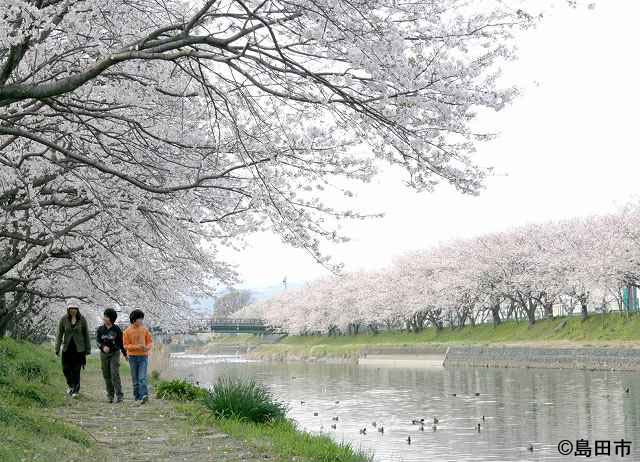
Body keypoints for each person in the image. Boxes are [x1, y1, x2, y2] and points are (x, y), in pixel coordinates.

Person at [55, 304, 91, 398]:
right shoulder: (64, 319)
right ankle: (71, 385)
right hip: (67, 349)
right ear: (68, 309)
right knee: (65, 369)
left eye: (75, 308)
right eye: (71, 308)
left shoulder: (82, 319)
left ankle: (76, 390)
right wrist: (57, 348)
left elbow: (86, 334)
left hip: (79, 350)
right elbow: (59, 334)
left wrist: (88, 349)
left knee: (76, 370)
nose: (73, 310)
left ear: (77, 309)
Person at [96, 308, 127, 403]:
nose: (104, 318)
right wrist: (102, 346)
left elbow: (121, 342)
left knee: (114, 373)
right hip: (104, 354)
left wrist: (125, 354)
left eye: (106, 316)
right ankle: (110, 395)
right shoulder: (100, 329)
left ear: (111, 319)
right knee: (106, 375)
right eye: (104, 316)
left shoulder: (116, 329)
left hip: (115, 353)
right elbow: (97, 341)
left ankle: (119, 395)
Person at [123, 309, 153, 404]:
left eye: (142, 319)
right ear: (134, 319)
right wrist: (137, 347)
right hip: (132, 357)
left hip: (143, 357)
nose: (141, 320)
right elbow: (125, 345)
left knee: (142, 378)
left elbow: (150, 342)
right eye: (139, 318)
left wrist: (147, 348)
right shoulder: (127, 332)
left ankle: (144, 395)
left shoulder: (145, 330)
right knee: (135, 379)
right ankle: (137, 397)